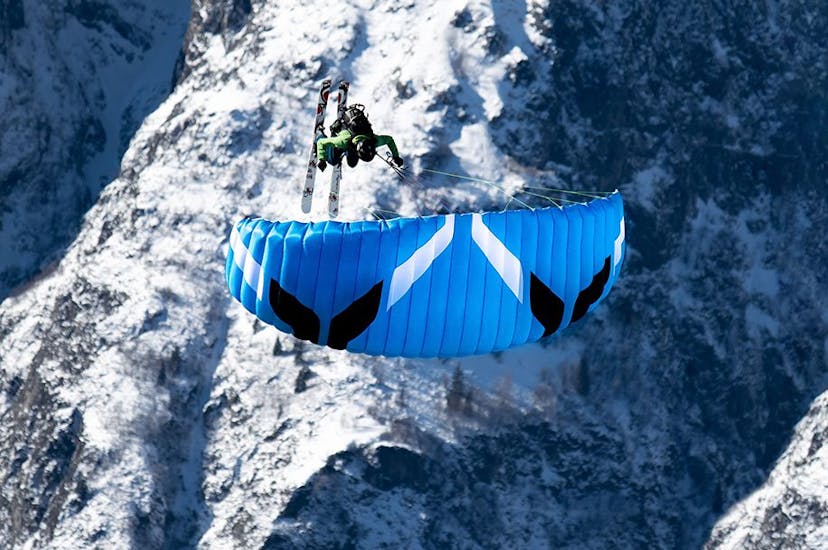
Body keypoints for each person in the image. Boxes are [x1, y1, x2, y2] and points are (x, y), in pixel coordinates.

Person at [316, 104, 404, 171]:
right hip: (342, 132)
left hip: (351, 142)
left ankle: (343, 152)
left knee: (352, 164)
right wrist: (322, 159)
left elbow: (389, 140)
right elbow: (321, 142)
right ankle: (320, 133)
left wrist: (396, 156)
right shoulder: (343, 141)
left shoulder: (373, 141)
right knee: (332, 160)